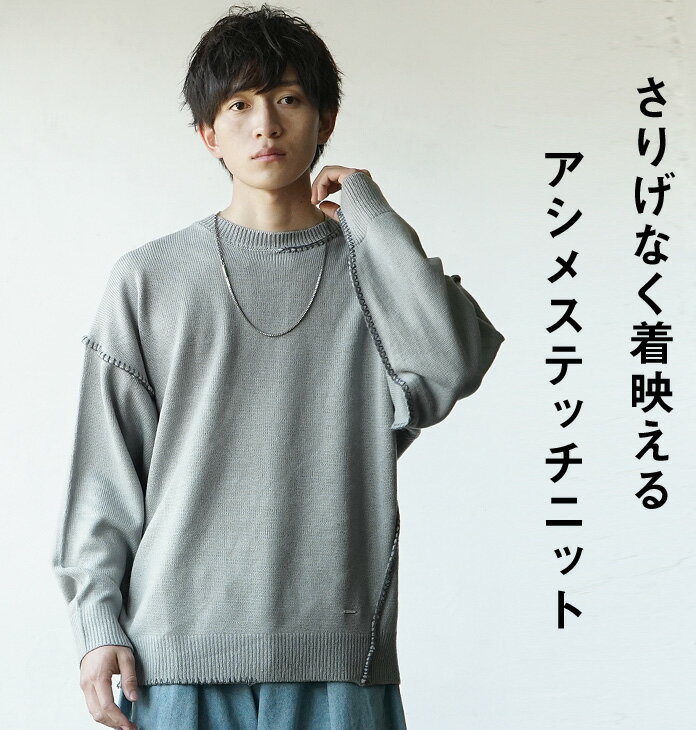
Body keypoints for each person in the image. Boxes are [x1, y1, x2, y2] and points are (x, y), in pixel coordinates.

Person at [50, 4, 506, 729]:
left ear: (326, 120)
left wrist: (370, 213)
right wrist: (97, 621)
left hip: (337, 660)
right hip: (175, 659)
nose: (265, 124)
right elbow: (106, 468)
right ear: (209, 134)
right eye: (239, 105)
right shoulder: (149, 280)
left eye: (289, 99)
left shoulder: (376, 272)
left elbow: (452, 363)